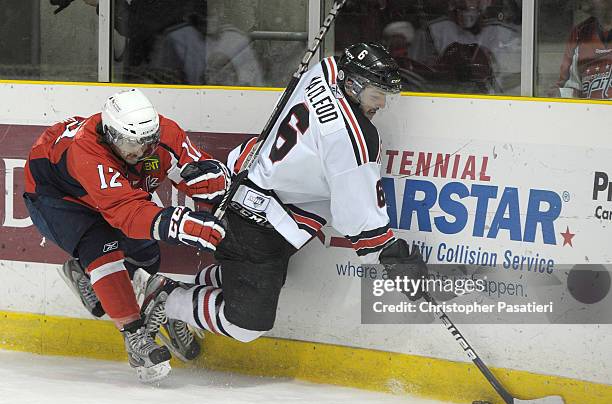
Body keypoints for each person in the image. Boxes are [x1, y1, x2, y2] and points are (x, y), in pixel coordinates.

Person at [139, 43, 428, 350]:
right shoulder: (353, 138)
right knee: (247, 324)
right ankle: (169, 300)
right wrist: (393, 258)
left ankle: (178, 294)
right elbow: (359, 219)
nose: (381, 103)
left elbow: (341, 60)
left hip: (236, 186)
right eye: (376, 94)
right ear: (352, 84)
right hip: (259, 225)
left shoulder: (325, 71)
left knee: (243, 279)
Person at [23, 88, 230, 382]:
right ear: (110, 134)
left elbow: (194, 172)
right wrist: (183, 225)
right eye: (131, 145)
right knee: (102, 249)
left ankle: (98, 281)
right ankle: (134, 337)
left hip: (107, 189)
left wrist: (210, 192)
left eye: (148, 145)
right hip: (57, 196)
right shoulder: (87, 151)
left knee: (146, 253)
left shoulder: (162, 135)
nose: (141, 153)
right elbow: (127, 213)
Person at [409, 0, 521, 94]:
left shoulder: (503, 34)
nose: (468, 6)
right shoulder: (433, 32)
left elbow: (515, 82)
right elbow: (417, 78)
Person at [554, 0, 612, 99]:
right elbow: (572, 87)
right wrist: (560, 94)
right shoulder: (579, 33)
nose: (585, 5)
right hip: (587, 112)